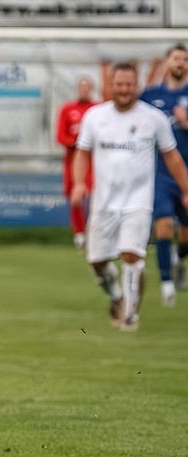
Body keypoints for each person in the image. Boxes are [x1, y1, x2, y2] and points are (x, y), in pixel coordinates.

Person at [71, 62, 188, 331]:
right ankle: (116, 296)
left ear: (137, 86)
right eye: (119, 85)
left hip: (138, 201)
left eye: (129, 85)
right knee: (98, 263)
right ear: (111, 86)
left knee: (131, 256)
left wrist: (186, 190)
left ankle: (130, 315)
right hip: (103, 203)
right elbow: (83, 152)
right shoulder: (95, 116)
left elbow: (172, 156)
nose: (124, 90)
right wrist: (79, 183)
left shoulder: (153, 118)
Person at [141, 43, 188, 306]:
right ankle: (167, 283)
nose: (180, 63)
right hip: (160, 173)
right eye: (176, 58)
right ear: (167, 62)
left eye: (184, 59)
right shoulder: (150, 96)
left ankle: (180, 258)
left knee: (185, 235)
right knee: (164, 224)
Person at [57, 76, 98, 251]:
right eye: (81, 87)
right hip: (73, 159)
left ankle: (95, 232)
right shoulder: (67, 109)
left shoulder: (98, 109)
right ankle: (79, 234)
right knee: (76, 198)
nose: (84, 90)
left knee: (96, 196)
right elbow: (60, 135)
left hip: (94, 160)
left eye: (87, 87)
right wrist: (77, 142)